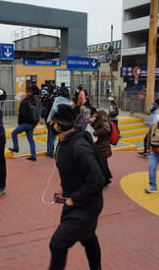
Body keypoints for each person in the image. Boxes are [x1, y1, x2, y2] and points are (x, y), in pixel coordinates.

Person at [48, 104, 105, 270]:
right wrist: (64, 186)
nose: (50, 124)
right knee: (88, 237)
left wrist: (75, 198)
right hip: (76, 201)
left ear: (59, 125)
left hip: (86, 205)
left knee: (57, 244)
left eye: (53, 122)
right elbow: (73, 170)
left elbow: (97, 179)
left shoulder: (78, 147)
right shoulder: (65, 140)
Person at [9, 92, 38, 161]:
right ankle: (33, 155)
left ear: (23, 97)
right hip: (32, 124)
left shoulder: (24, 103)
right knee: (30, 139)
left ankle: (16, 148)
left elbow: (23, 115)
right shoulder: (30, 101)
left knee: (14, 133)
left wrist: (20, 123)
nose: (19, 98)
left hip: (26, 123)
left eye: (20, 97)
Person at [91, 110, 112, 186]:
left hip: (103, 146)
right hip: (99, 145)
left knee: (102, 163)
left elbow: (107, 129)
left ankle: (105, 180)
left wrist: (95, 132)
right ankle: (106, 179)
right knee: (102, 163)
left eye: (92, 116)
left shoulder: (102, 118)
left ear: (95, 114)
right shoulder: (97, 119)